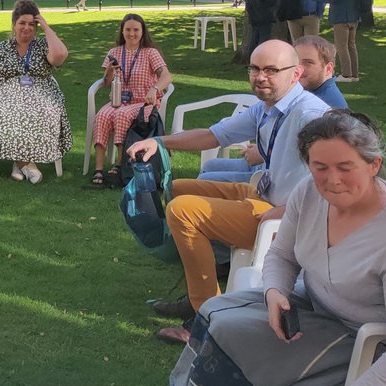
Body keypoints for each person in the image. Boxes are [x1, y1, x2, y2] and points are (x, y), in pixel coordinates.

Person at [169, 111, 386, 386]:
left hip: (368, 342)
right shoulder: (309, 193)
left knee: (239, 346)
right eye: (320, 167)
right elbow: (281, 256)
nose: (331, 180)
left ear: (374, 164)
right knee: (215, 314)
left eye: (345, 167)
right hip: (311, 305)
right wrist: (275, 293)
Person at [128, 40, 329, 343]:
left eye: (272, 70)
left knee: (182, 212)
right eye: (255, 68)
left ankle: (205, 315)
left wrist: (289, 211)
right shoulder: (267, 108)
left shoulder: (310, 115)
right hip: (263, 196)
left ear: (295, 73)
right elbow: (211, 135)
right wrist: (158, 142)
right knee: (179, 189)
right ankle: (204, 282)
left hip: (285, 220)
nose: (261, 77)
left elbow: (333, 175)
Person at [199, 36, 347, 184]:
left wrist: (264, 153)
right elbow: (218, 135)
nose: (299, 68)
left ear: (328, 69)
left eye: (308, 63)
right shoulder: (283, 96)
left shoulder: (324, 108)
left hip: (280, 181)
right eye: (295, 61)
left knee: (203, 182)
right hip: (268, 166)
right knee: (210, 165)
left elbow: (312, 162)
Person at [0, 0, 72, 184]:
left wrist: (46, 27)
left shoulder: (43, 45)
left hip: (42, 94)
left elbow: (60, 57)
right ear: (14, 24)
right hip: (7, 95)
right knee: (10, 110)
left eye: (32, 24)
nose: (27, 28)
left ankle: (19, 163)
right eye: (22, 23)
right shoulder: (1, 48)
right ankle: (27, 165)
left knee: (42, 111)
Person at [89, 14, 171, 186]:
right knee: (102, 116)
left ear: (142, 32)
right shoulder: (114, 52)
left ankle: (119, 164)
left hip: (143, 103)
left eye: (136, 30)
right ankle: (98, 168)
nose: (131, 33)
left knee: (122, 115)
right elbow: (106, 82)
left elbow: (166, 76)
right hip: (119, 100)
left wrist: (155, 89)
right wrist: (110, 71)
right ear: (122, 31)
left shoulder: (150, 53)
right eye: (128, 29)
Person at [326, 0, 360, 82]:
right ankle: (354, 74)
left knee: (342, 46)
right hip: (353, 18)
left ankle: (346, 74)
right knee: (352, 45)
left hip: (341, 18)